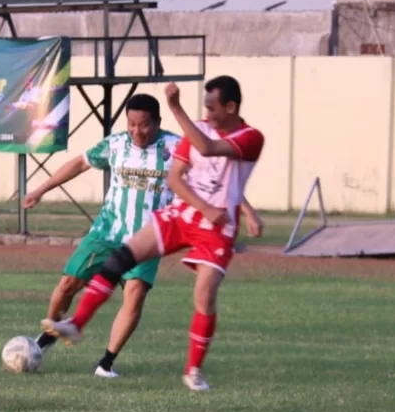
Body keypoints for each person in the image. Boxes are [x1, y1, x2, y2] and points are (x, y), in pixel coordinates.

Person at [41, 75, 265, 392]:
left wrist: (175, 106)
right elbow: (176, 179)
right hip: (183, 214)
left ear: (231, 107)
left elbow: (210, 150)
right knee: (122, 257)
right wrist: (202, 206)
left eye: (212, 107)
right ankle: (76, 324)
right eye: (204, 107)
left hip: (217, 227)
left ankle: (193, 370)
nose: (208, 113)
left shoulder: (250, 137)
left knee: (203, 295)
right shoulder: (193, 128)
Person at [24, 93, 182, 378]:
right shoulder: (116, 144)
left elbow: (207, 177)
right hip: (108, 231)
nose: (136, 131)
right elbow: (79, 163)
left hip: (148, 237)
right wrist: (40, 189)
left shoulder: (177, 148)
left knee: (134, 295)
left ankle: (106, 364)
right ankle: (46, 338)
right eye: (131, 124)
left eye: (144, 125)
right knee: (67, 284)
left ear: (158, 122)